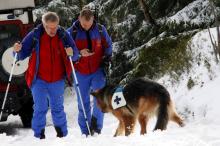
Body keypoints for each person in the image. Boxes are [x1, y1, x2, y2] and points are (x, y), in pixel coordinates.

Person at [13, 12, 79, 139]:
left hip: (57, 79)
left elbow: (75, 54)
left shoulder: (63, 35)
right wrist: (16, 49)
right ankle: (39, 136)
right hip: (39, 79)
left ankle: (62, 136)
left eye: (55, 27)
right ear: (44, 25)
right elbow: (21, 54)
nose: (53, 30)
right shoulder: (35, 35)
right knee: (40, 108)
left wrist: (72, 52)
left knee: (58, 109)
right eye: (50, 27)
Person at [67, 8, 112, 136]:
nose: (86, 27)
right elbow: (65, 53)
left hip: (98, 70)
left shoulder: (100, 30)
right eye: (84, 24)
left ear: (93, 19)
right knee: (83, 103)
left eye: (89, 24)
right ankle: (85, 131)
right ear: (79, 19)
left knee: (100, 100)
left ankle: (96, 128)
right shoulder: (71, 33)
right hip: (80, 72)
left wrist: (107, 58)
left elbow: (108, 45)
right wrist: (79, 54)